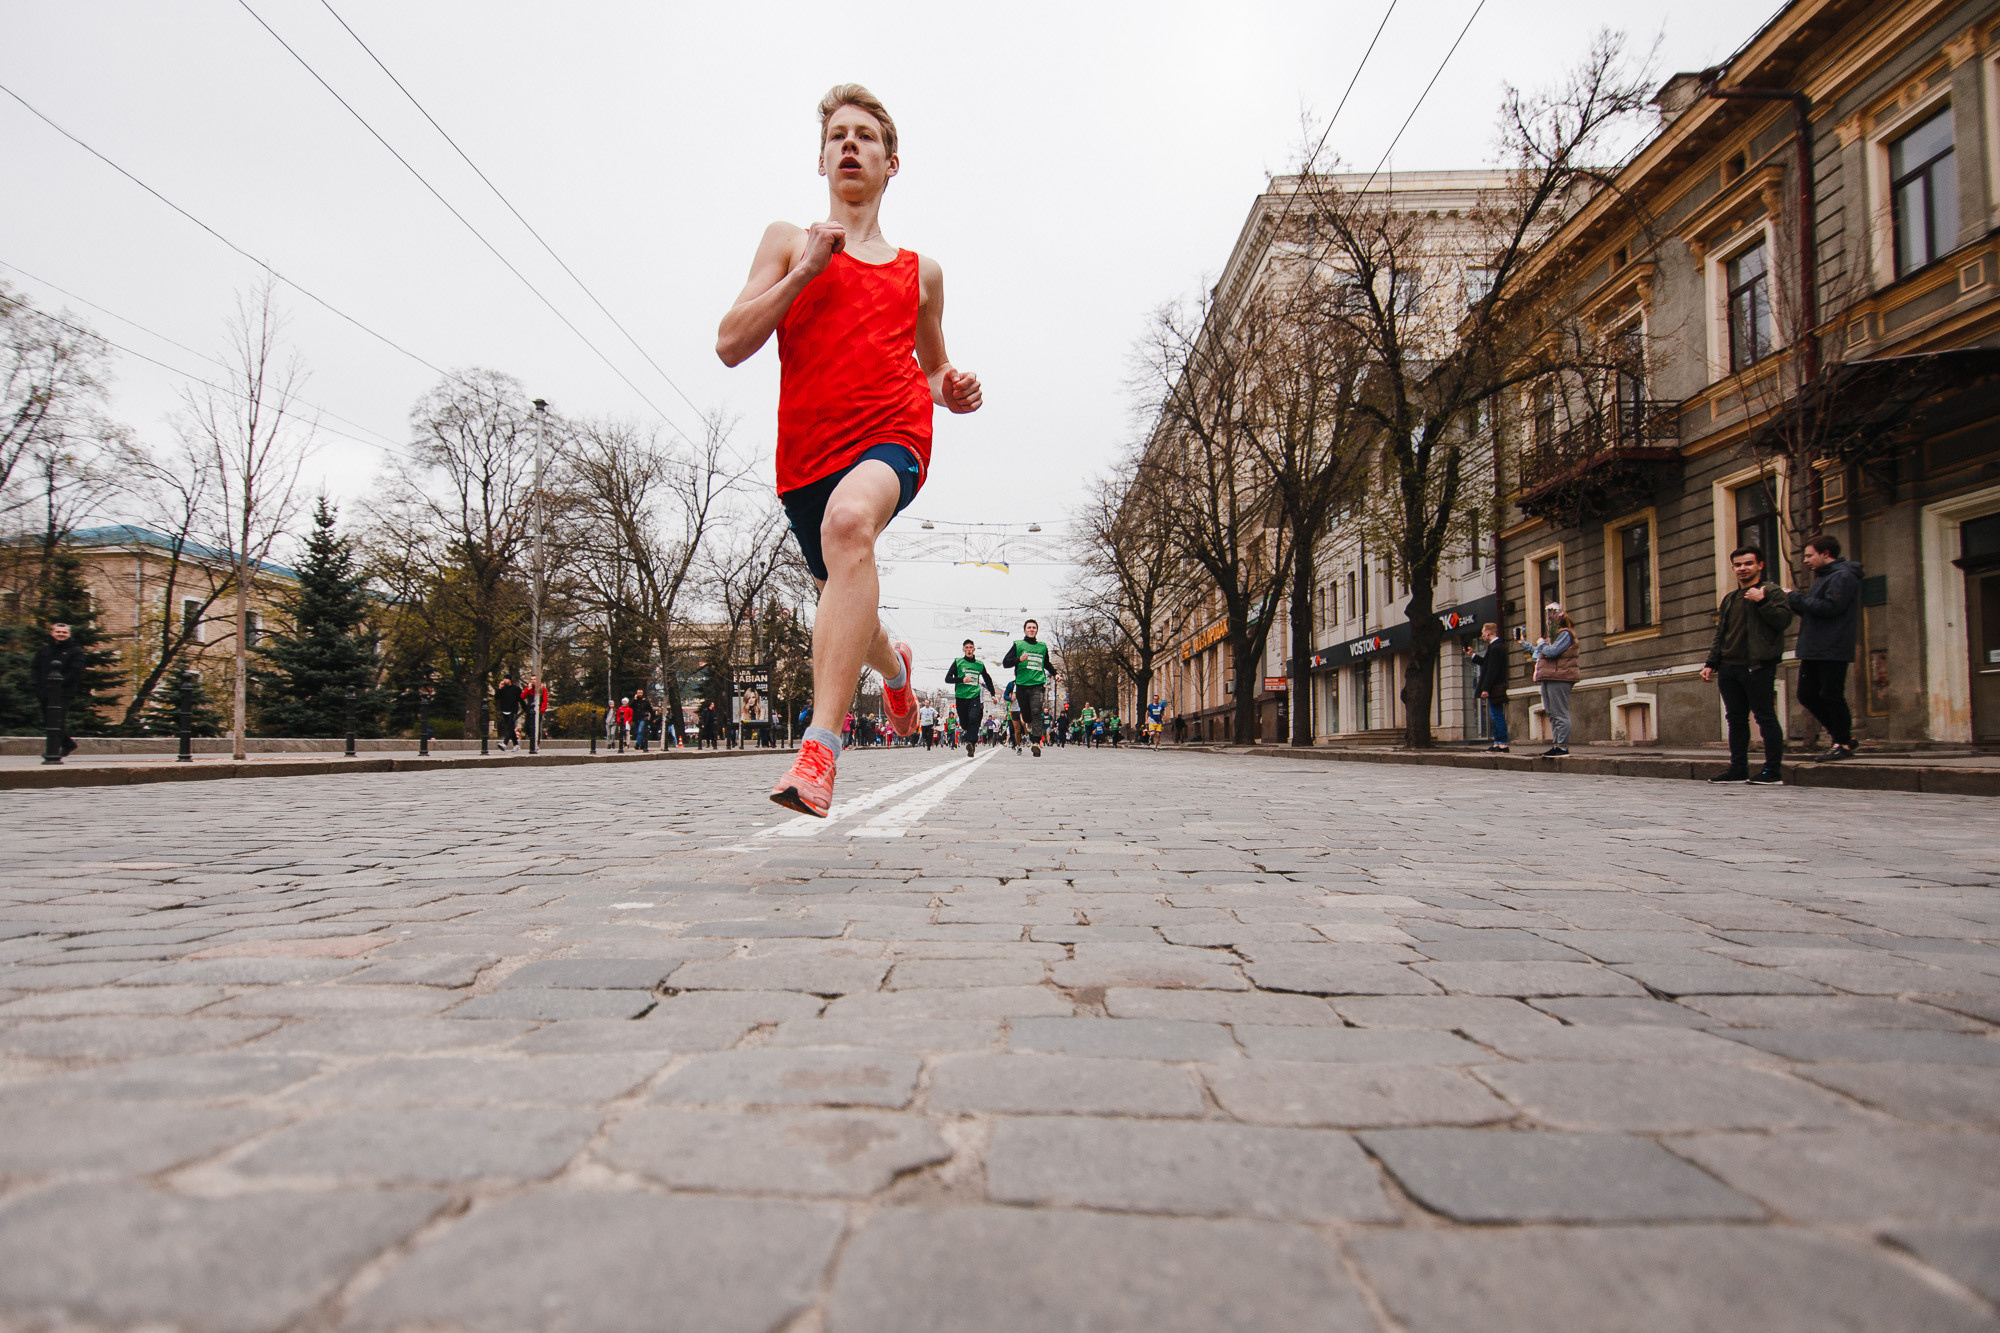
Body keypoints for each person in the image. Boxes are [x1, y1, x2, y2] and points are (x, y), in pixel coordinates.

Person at [720, 84, 983, 816]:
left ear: (891, 162)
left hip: (893, 435)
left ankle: (819, 753)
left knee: (849, 526)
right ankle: (894, 667)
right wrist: (805, 269)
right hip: (805, 456)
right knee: (844, 580)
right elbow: (729, 343)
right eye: (837, 134)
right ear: (821, 158)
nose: (849, 145)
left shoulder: (919, 272)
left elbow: (931, 367)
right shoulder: (785, 241)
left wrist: (948, 389)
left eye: (865, 135)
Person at [1703, 545, 1794, 785]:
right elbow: (1721, 633)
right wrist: (1711, 663)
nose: (1743, 569)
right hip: (1729, 667)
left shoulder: (1772, 592)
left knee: (1765, 717)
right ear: (1733, 568)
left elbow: (1783, 621)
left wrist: (1762, 601)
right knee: (1735, 718)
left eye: (1748, 564)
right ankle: (1738, 769)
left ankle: (1772, 771)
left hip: (1757, 665)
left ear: (1760, 565)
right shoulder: (1730, 598)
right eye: (1738, 565)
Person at [1786, 533, 1862, 760]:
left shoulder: (1843, 575)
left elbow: (1831, 607)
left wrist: (1795, 597)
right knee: (1806, 694)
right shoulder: (1824, 577)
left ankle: (1842, 743)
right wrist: (1792, 601)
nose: (1806, 560)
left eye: (1809, 555)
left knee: (1831, 694)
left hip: (1832, 646)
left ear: (1826, 554)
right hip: (1815, 647)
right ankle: (1843, 738)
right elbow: (1814, 610)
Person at [1519, 603, 1578, 758]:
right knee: (1551, 712)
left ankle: (1562, 747)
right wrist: (1524, 643)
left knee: (1560, 712)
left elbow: (1551, 652)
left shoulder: (1565, 633)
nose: (1548, 619)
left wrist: (1542, 644)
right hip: (1549, 675)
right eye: (1547, 615)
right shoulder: (1552, 636)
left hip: (1560, 676)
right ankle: (1557, 744)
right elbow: (1538, 652)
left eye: (1550, 615)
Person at [1000, 618, 1056, 757]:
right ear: (1025, 630)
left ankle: (1036, 743)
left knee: (1037, 711)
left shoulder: (1042, 647)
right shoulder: (1018, 645)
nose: (1031, 629)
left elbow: (1046, 663)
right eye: (1029, 627)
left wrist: (1056, 674)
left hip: (1037, 684)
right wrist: (1019, 659)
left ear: (1037, 630)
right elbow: (1005, 663)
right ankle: (1029, 722)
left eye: (1034, 627)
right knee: (1025, 714)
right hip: (1022, 685)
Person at [31, 623, 84, 756]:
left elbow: (75, 672)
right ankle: (67, 744)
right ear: (52, 633)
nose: (61, 634)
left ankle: (53, 752)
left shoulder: (75, 651)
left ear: (69, 634)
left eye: (64, 632)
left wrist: (59, 684)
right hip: (44, 691)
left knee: (58, 720)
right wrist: (37, 685)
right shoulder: (44, 650)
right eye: (58, 631)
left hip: (63, 692)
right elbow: (35, 668)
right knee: (48, 721)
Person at [944, 639, 996, 757]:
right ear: (963, 649)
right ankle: (969, 735)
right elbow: (947, 679)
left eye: (971, 647)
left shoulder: (979, 664)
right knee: (964, 723)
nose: (969, 650)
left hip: (974, 696)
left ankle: (971, 744)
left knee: (974, 718)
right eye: (966, 647)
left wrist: (992, 693)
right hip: (961, 696)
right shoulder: (958, 662)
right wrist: (961, 680)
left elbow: (987, 678)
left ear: (974, 649)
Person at [1466, 622, 1510, 752]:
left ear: (1488, 632)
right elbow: (1486, 664)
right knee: (1495, 715)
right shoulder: (1495, 647)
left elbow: (1492, 670)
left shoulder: (1496, 648)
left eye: (1483, 633)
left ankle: (1502, 743)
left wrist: (1485, 688)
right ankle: (1498, 743)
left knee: (1497, 715)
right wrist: (1473, 655)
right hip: (1495, 686)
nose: (1482, 636)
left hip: (1495, 687)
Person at [494, 674, 521, 751]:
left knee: (510, 727)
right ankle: (516, 744)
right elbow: (496, 697)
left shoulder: (516, 689)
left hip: (512, 710)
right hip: (504, 710)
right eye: (504, 679)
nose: (505, 680)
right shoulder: (502, 689)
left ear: (510, 680)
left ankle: (504, 744)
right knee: (510, 728)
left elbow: (520, 699)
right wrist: (499, 688)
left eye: (506, 679)